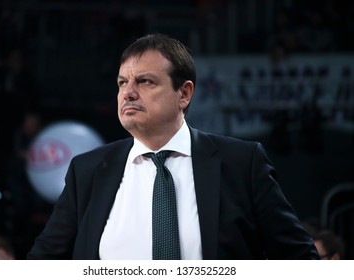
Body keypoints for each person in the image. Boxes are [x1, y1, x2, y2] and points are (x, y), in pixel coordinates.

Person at [27, 33, 319, 260]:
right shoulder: (87, 171)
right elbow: (43, 264)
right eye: (121, 82)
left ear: (184, 93)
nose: (128, 93)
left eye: (145, 82)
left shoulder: (242, 163)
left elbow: (299, 260)